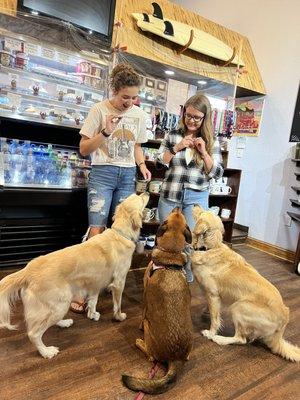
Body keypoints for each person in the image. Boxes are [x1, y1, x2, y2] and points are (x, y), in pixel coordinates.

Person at [70, 63, 151, 313]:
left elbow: (137, 146)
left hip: (127, 175)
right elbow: (84, 149)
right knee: (96, 231)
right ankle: (82, 289)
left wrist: (142, 165)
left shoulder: (139, 115)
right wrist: (106, 131)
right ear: (114, 90)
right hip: (103, 174)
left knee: (122, 233)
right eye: (125, 97)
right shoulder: (98, 110)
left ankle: (111, 282)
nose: (129, 102)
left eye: (134, 97)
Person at [156, 93, 224, 282]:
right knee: (165, 238)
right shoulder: (173, 134)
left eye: (196, 117)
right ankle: (163, 276)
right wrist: (175, 148)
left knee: (190, 242)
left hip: (196, 198)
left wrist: (204, 153)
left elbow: (217, 172)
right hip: (170, 193)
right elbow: (159, 163)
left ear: (205, 118)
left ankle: (185, 280)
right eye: (188, 115)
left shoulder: (211, 140)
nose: (191, 121)